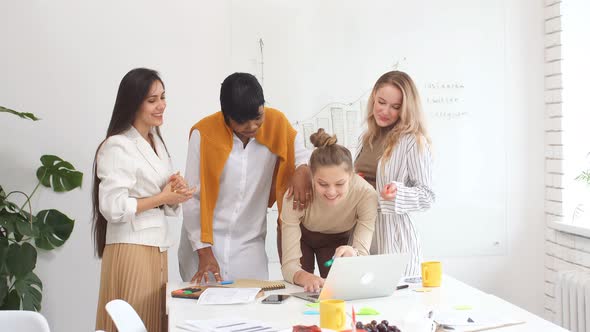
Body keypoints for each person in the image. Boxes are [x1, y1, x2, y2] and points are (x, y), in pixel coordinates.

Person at [178, 72, 312, 283]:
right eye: (241, 121)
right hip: (205, 243)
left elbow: (301, 154)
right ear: (225, 116)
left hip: (251, 244)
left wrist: (302, 169)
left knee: (254, 307)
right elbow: (191, 197)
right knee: (202, 309)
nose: (252, 127)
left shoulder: (277, 123)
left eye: (258, 117)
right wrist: (203, 252)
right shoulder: (203, 135)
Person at [92, 68, 193, 332]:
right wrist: (163, 196)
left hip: (156, 246)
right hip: (131, 247)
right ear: (133, 103)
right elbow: (113, 207)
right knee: (133, 322)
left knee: (154, 322)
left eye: (163, 97)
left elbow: (159, 197)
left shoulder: (156, 142)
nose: (162, 105)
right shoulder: (117, 146)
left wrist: (174, 192)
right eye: (152, 100)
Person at [354, 70, 434, 276]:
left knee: (397, 305)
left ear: (406, 108)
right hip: (362, 236)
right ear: (373, 98)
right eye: (381, 102)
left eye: (395, 107)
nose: (385, 111)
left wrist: (396, 192)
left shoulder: (413, 142)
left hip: (394, 240)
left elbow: (427, 196)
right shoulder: (365, 139)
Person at [281, 129, 377, 292]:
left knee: (338, 290)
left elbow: (362, 254)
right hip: (302, 237)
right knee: (301, 290)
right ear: (311, 175)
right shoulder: (295, 196)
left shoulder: (366, 195)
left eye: (340, 184)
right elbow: (289, 266)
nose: (331, 192)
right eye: (323, 184)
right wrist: (304, 276)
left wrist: (353, 254)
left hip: (337, 240)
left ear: (352, 175)